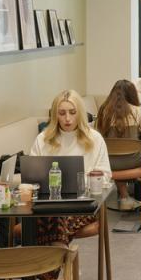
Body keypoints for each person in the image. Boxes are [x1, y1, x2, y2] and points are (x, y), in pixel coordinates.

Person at [30, 90, 114, 245]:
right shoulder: (42, 139)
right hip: (48, 206)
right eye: (62, 113)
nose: (67, 118)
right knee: (51, 219)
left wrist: (86, 182)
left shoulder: (94, 138)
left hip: (83, 206)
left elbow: (106, 176)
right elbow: (32, 179)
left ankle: (53, 264)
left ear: (80, 113)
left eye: (72, 112)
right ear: (55, 115)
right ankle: (66, 262)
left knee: (53, 223)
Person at [97, 79, 141, 210]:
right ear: (132, 95)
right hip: (133, 161)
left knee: (117, 157)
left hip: (109, 162)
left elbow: (97, 136)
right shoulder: (136, 111)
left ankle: (124, 197)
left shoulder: (103, 111)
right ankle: (129, 197)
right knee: (140, 153)